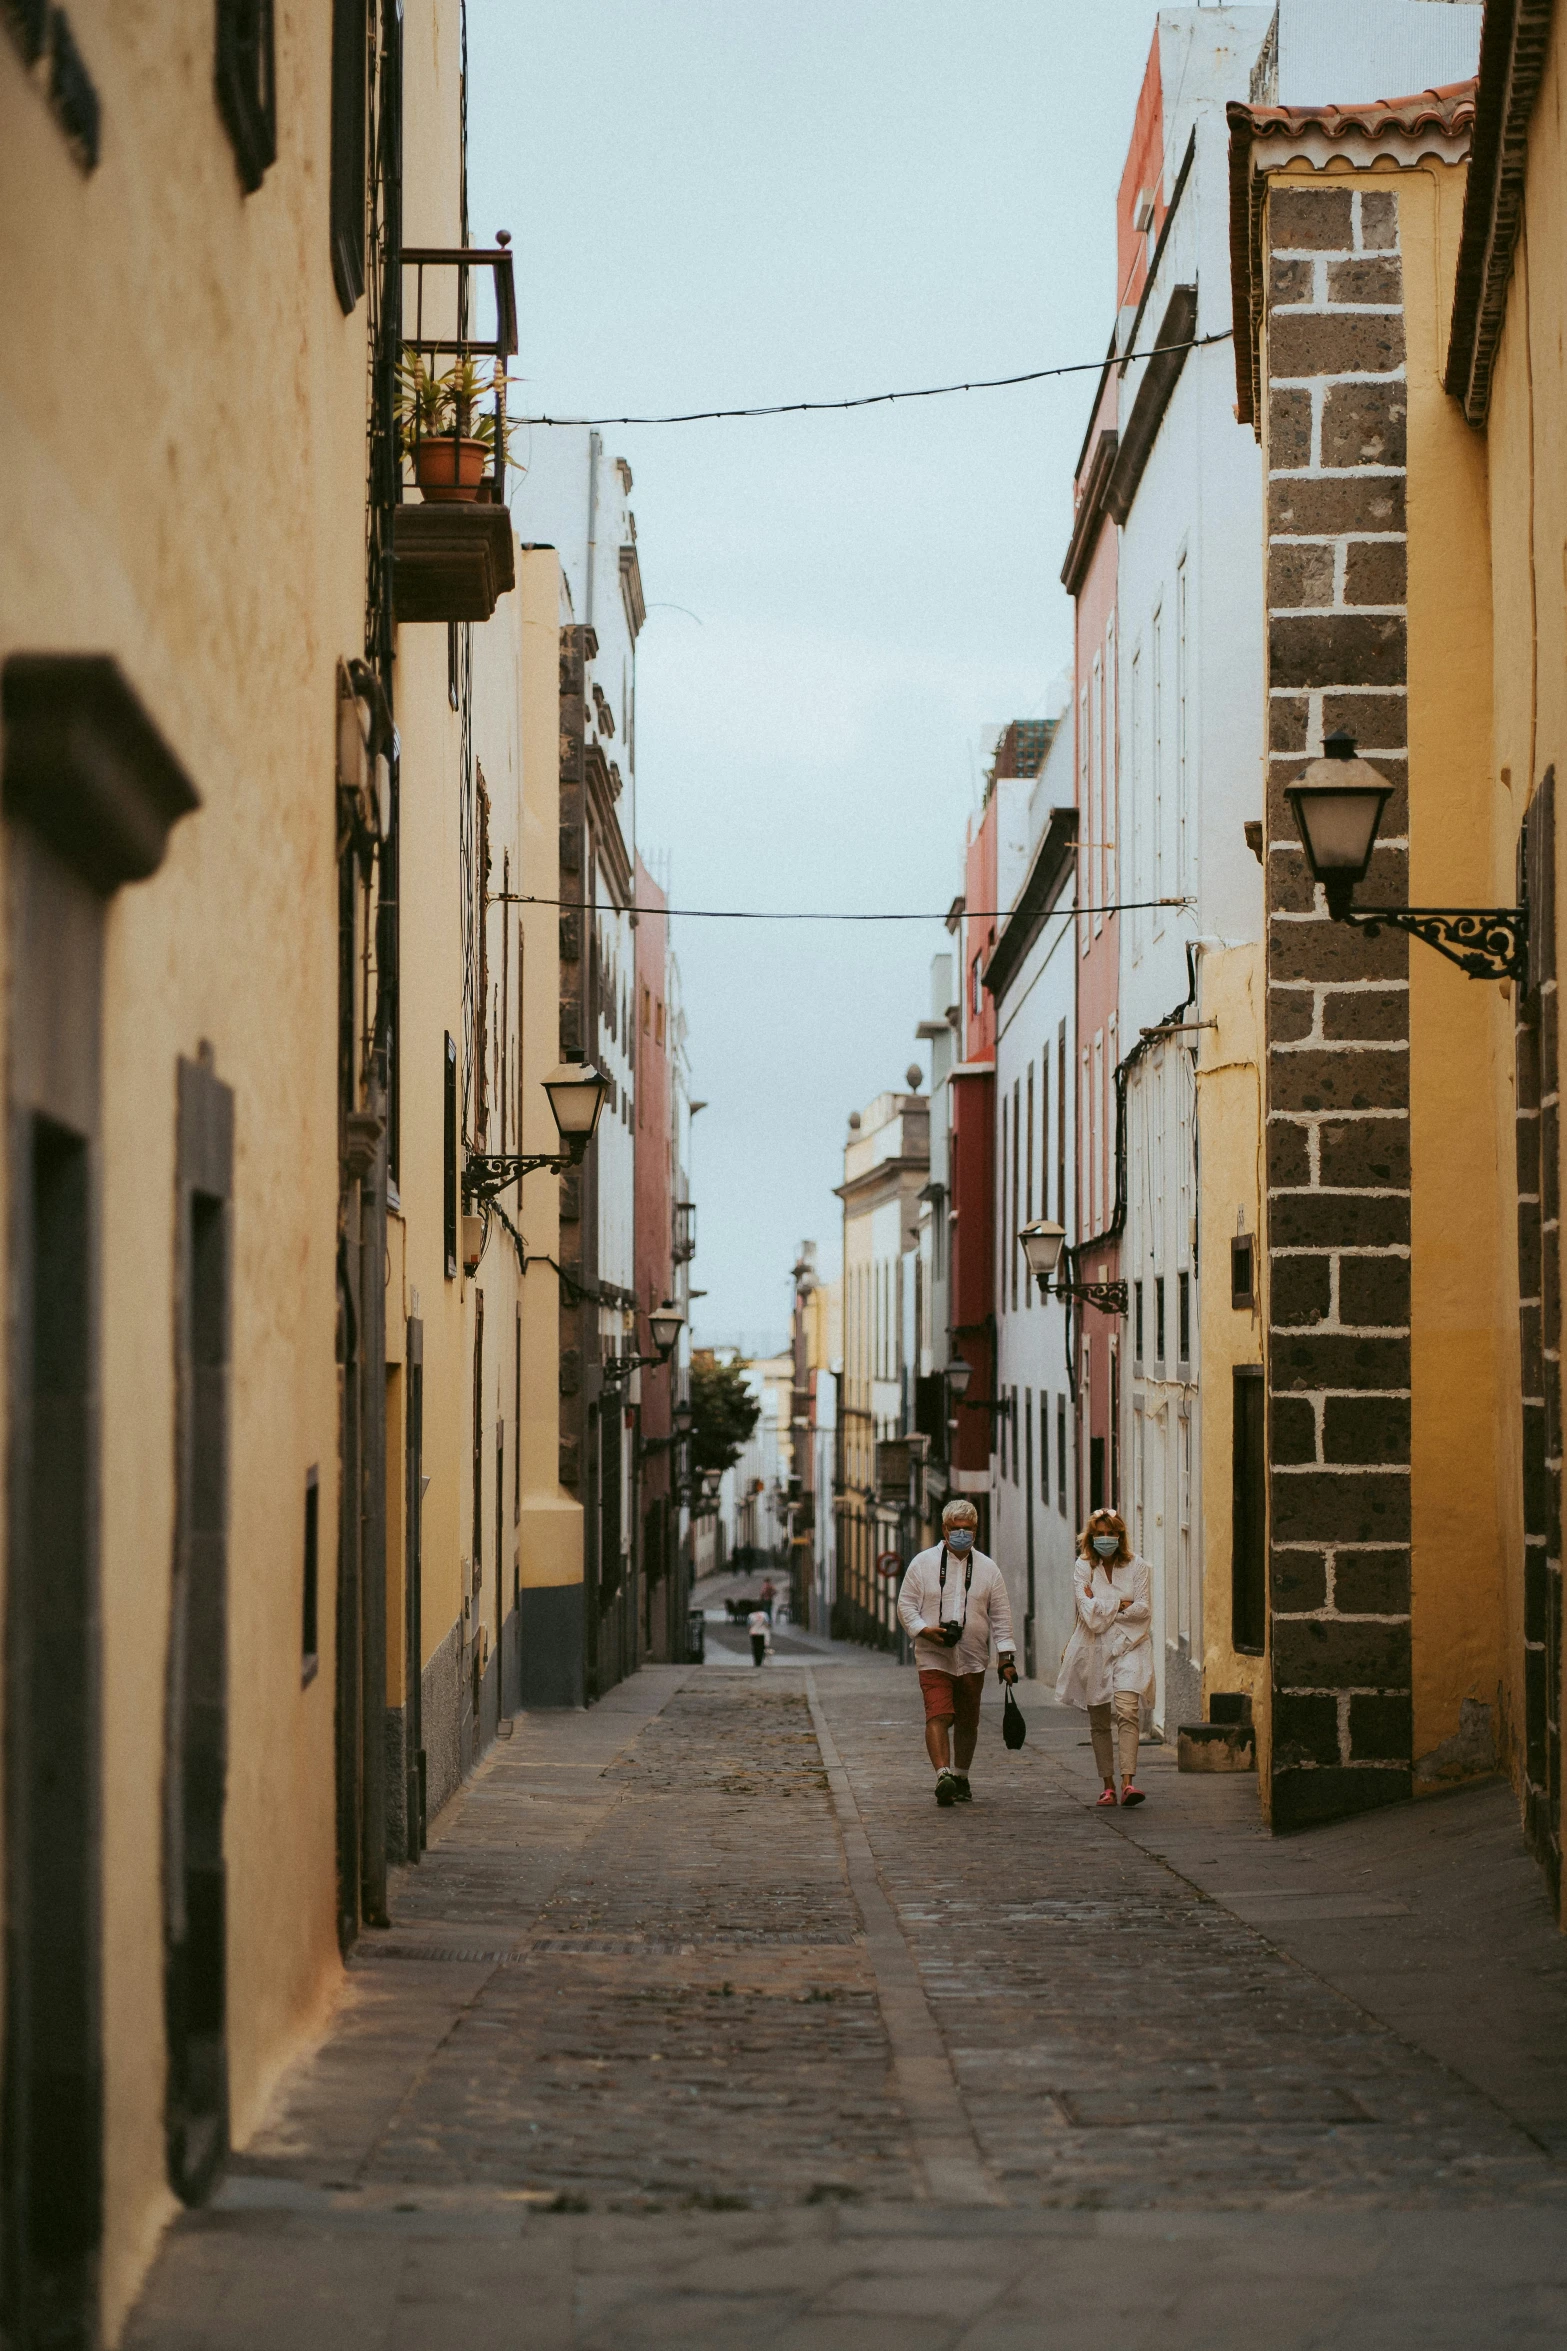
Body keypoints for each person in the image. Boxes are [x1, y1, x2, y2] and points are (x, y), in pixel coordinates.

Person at [896, 1498, 1018, 1806]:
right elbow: (905, 1605)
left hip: (973, 1657)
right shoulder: (922, 1564)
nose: (961, 1533)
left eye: (967, 1529)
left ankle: (961, 1776)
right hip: (932, 1655)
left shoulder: (989, 1569)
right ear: (944, 1529)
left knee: (967, 1720)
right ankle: (943, 1775)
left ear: (975, 1530)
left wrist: (1006, 1658)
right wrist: (924, 1630)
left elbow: (1001, 1615)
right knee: (939, 1712)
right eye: (955, 1528)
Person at [1056, 1507, 1153, 1806]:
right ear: (1091, 1537)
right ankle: (1107, 1784)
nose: (1106, 1539)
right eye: (1099, 1534)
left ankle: (1128, 1782)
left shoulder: (1138, 1567)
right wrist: (1121, 1604)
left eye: (1111, 1533)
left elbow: (1144, 1610)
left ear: (1120, 1535)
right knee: (1099, 1717)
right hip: (1093, 1647)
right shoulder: (1083, 1567)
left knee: (1127, 1710)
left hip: (1130, 1644)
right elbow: (1088, 1616)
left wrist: (1101, 1603)